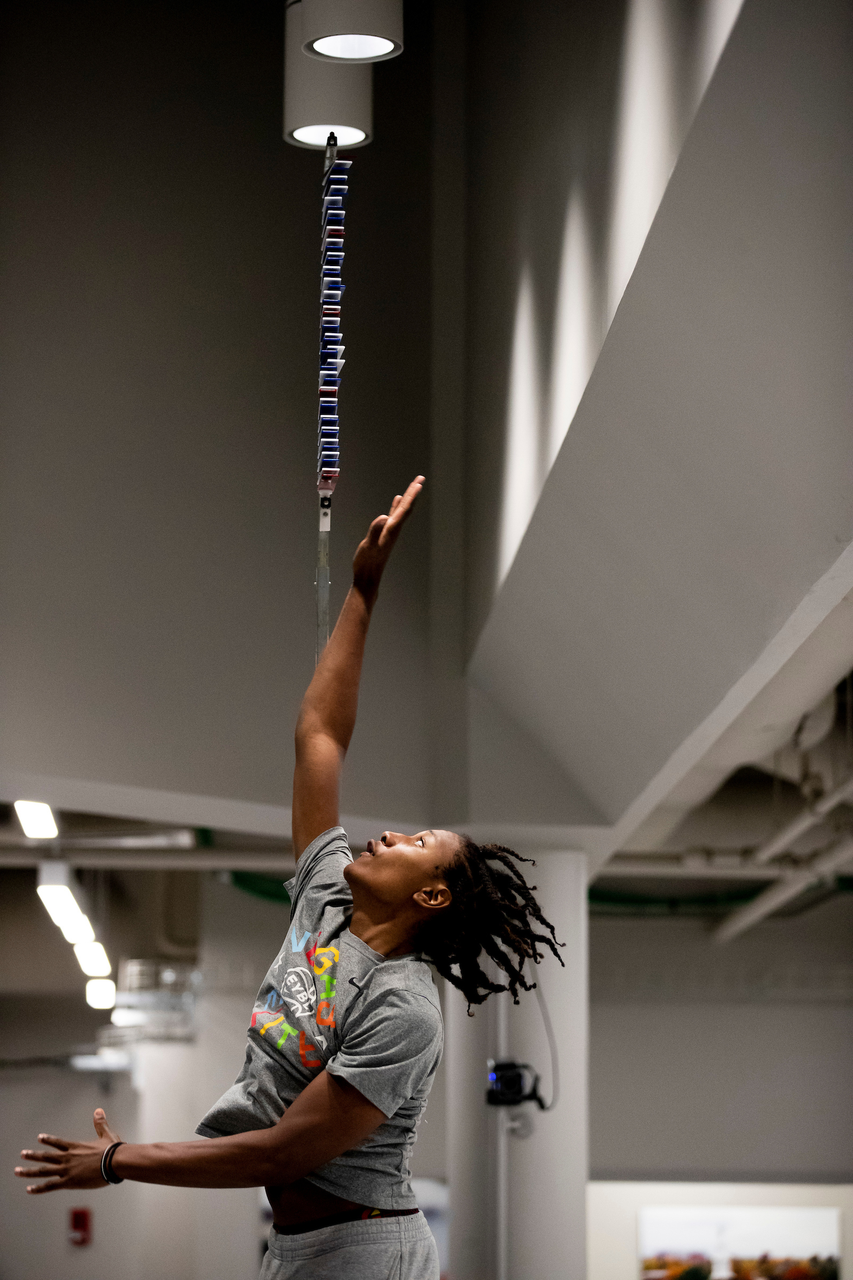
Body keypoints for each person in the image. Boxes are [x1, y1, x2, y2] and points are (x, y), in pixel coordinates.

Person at [15, 475, 563, 1280]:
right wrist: (363, 592)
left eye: (417, 841)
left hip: (365, 1250)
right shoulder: (329, 895)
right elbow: (318, 736)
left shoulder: (403, 1009)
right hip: (300, 1246)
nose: (386, 833)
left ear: (432, 894)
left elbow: (282, 1148)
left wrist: (119, 1161)